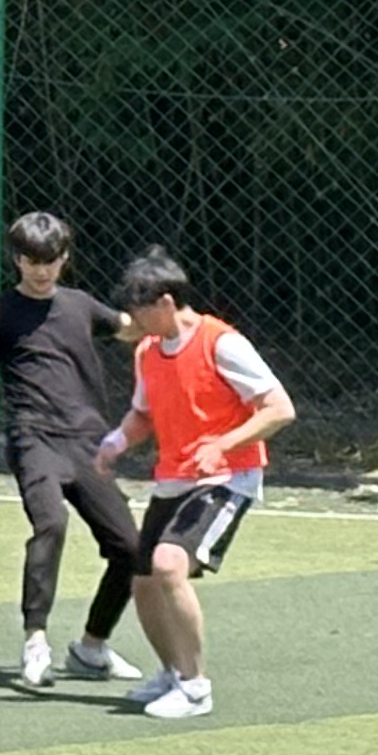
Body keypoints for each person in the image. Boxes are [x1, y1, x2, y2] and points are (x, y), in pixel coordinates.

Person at [0, 210, 147, 689]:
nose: (41, 270)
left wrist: (174, 322)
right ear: (16, 259)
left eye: (50, 260)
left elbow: (133, 327)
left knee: (131, 548)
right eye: (31, 260)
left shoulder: (81, 306)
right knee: (51, 523)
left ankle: (91, 648)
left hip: (87, 442)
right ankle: (35, 641)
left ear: (64, 258)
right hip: (33, 438)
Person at [90, 250, 293, 717]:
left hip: (228, 477)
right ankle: (173, 673)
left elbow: (279, 409)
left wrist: (223, 444)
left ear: (165, 303)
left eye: (139, 310)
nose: (132, 321)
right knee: (142, 580)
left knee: (168, 564)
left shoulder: (222, 344)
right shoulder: (148, 352)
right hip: (175, 479)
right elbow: (143, 414)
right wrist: (116, 442)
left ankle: (196, 688)